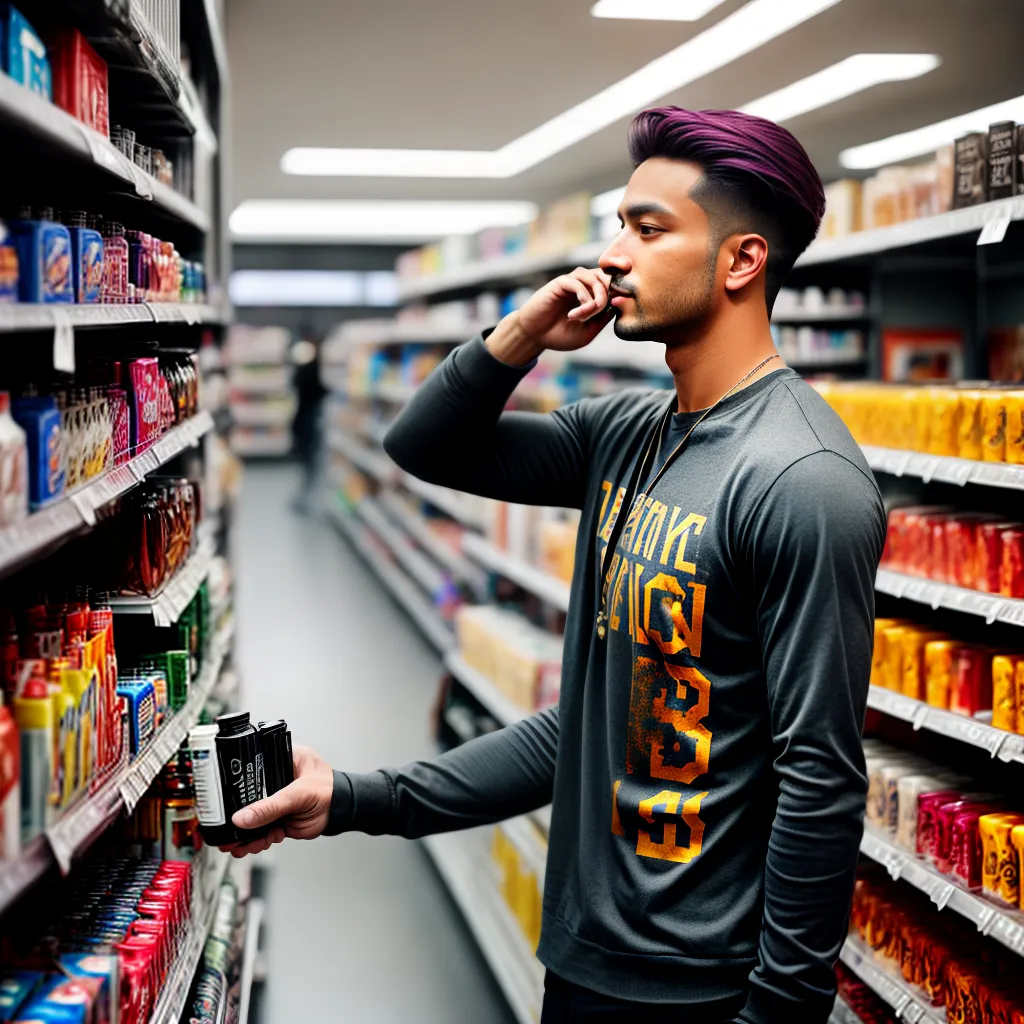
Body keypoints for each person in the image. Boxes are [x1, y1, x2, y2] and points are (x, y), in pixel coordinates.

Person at [226, 107, 886, 1023]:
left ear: (740, 262)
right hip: (584, 956)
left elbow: (820, 778)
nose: (613, 254)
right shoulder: (623, 433)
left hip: (698, 988)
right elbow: (425, 448)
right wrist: (355, 799)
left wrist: (780, 1011)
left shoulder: (803, 479)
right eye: (619, 224)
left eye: (648, 229)